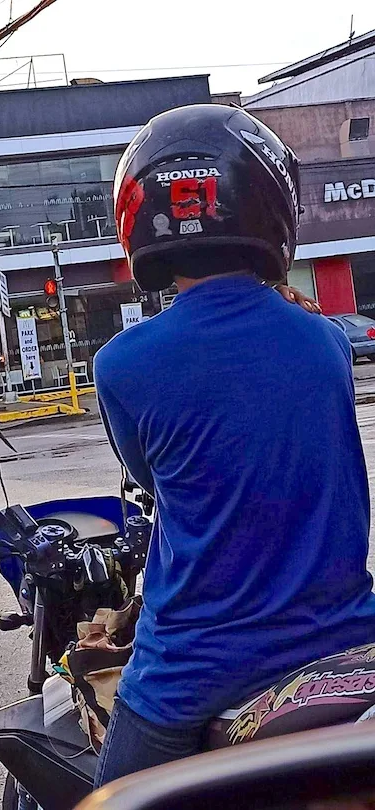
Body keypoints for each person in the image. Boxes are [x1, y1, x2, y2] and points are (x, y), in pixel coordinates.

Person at [93, 104, 375, 787]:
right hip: (348, 646)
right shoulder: (327, 342)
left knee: (110, 799)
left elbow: (153, 481)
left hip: (195, 668)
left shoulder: (121, 364)